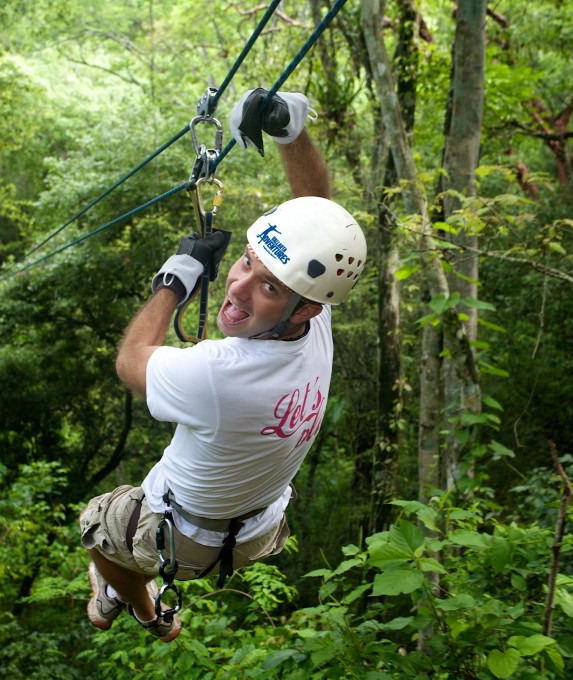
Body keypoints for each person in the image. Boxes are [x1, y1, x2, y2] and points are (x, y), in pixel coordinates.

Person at [79, 88, 367, 642]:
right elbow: (320, 217)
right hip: (261, 529)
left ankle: (140, 605)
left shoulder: (218, 371)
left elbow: (129, 361)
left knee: (98, 528)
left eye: (265, 285)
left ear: (303, 304)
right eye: (245, 262)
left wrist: (175, 278)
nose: (236, 286)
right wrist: (290, 130)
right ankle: (135, 595)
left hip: (183, 541)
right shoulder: (313, 323)